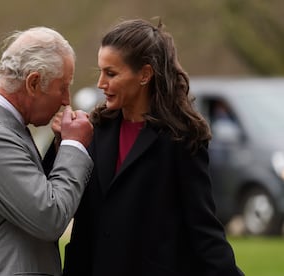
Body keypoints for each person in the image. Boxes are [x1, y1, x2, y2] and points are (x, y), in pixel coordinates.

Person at [62, 19, 244, 276]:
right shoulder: (95, 130)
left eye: (111, 73)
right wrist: (64, 141)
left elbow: (203, 230)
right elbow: (71, 212)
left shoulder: (181, 138)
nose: (101, 83)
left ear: (145, 75)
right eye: (100, 71)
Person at [0, 26, 94, 276]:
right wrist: (73, 145)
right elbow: (50, 216)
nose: (66, 100)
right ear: (33, 83)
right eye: (62, 87)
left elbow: (31, 198)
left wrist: (60, 146)